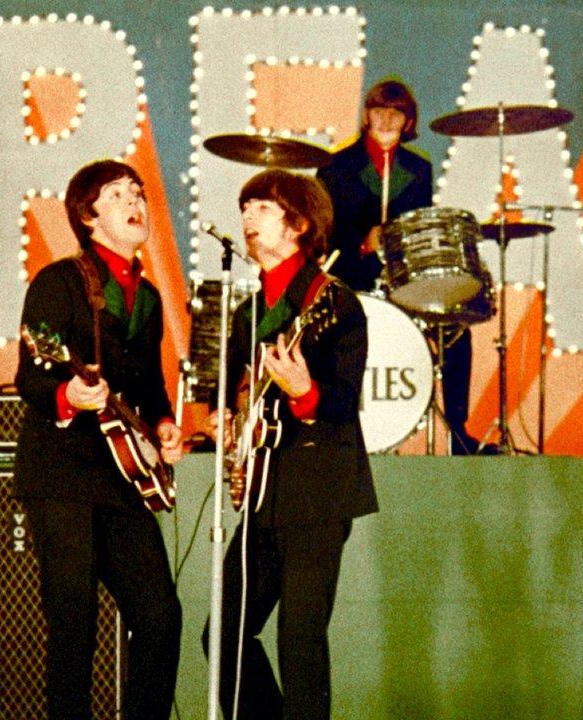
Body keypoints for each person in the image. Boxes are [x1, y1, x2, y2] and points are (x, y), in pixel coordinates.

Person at [202, 169, 377, 719]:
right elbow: (229, 397)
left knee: (299, 640)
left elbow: (344, 402)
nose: (248, 217)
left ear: (300, 224)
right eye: (245, 206)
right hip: (260, 494)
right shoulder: (246, 312)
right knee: (222, 638)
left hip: (317, 488)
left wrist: (306, 392)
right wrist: (224, 421)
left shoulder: (334, 303)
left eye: (263, 208)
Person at [14, 159, 184, 720]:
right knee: (73, 624)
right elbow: (32, 377)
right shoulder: (59, 282)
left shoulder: (151, 298)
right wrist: (70, 397)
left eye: (137, 191)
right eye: (117, 195)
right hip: (61, 474)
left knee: (160, 616)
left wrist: (163, 426)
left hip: (123, 477)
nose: (136, 201)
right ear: (89, 218)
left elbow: (151, 388)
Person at [317, 77, 480, 455]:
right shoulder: (337, 164)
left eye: (397, 112)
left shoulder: (418, 167)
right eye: (379, 110)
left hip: (400, 281)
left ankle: (459, 432)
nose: (387, 119)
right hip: (350, 278)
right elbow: (323, 231)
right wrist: (362, 242)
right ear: (366, 115)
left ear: (408, 121)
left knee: (457, 331)